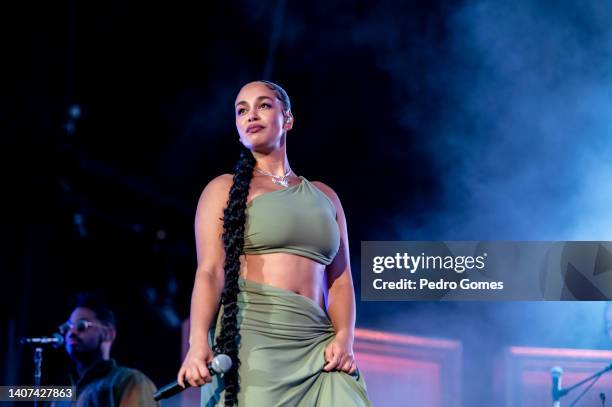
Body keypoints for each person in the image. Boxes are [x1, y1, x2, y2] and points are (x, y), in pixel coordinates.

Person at [177, 80, 372, 406]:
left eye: (263, 105)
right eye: (242, 110)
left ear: (288, 119)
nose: (251, 115)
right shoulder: (223, 189)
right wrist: (197, 342)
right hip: (255, 340)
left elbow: (340, 281)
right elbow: (209, 271)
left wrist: (345, 338)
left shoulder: (326, 197)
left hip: (318, 345)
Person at [52, 292, 159, 406]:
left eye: (81, 325)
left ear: (109, 334)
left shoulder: (128, 380)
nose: (71, 332)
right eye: (68, 327)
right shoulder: (61, 394)